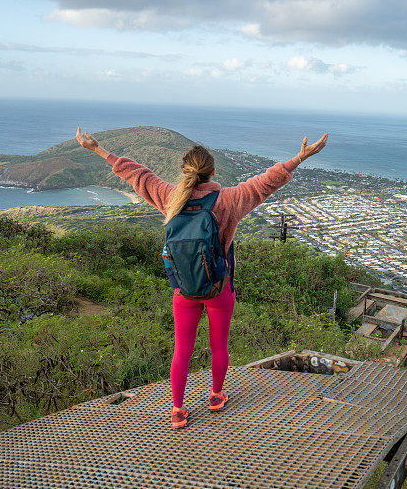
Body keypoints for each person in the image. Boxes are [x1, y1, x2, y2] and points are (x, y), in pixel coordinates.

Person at [76, 127, 328, 429]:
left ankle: (178, 410)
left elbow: (138, 176)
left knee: (182, 349)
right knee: (219, 345)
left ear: (184, 170)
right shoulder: (228, 201)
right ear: (212, 172)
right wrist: (300, 157)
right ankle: (216, 395)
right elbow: (265, 183)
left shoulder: (171, 197)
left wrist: (98, 149)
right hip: (219, 287)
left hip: (183, 288)